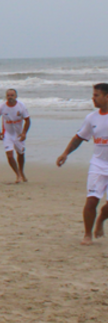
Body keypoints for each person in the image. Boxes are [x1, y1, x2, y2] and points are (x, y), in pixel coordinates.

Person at [55, 83, 108, 245]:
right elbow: (79, 137)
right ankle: (87, 234)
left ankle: (100, 219)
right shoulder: (92, 118)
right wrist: (65, 153)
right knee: (92, 200)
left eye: (97, 95)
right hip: (98, 164)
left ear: (107, 97)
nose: (93, 98)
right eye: (93, 95)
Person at [0, 88, 30, 184]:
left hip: (18, 134)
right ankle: (17, 174)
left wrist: (24, 132)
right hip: (7, 134)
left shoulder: (21, 107)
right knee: (9, 155)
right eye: (8, 95)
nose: (10, 97)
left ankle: (21, 171)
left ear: (16, 96)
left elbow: (28, 120)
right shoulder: (2, 107)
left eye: (12, 95)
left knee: (21, 154)